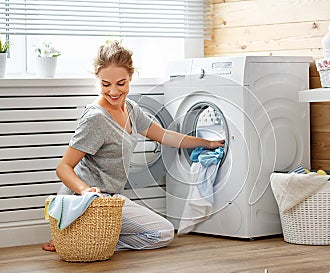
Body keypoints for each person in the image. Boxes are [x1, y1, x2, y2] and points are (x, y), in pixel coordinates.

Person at [42, 41, 225, 251]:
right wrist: (85, 191)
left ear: (131, 77)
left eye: (121, 83)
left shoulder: (130, 108)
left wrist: (207, 142)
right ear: (97, 80)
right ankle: (80, 237)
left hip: (110, 200)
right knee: (163, 233)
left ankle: (87, 240)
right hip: (85, 201)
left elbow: (164, 136)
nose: (113, 91)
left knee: (161, 233)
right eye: (105, 84)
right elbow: (63, 167)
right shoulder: (95, 119)